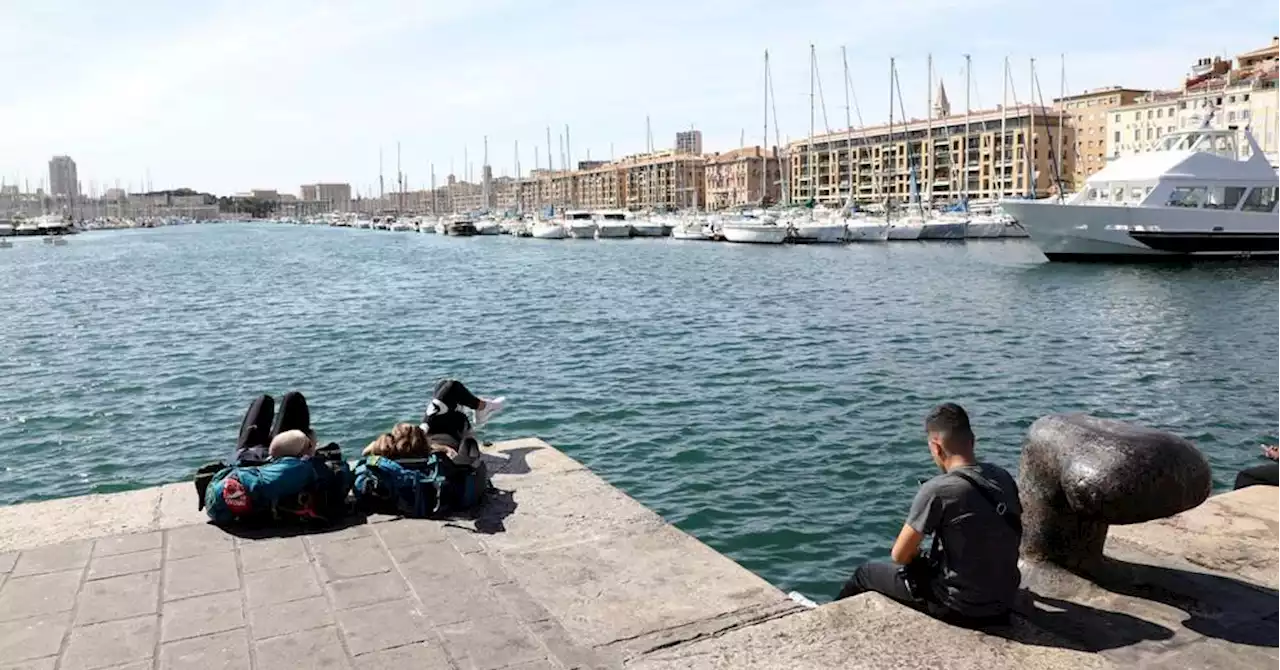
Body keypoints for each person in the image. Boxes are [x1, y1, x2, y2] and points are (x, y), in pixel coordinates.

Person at [837, 403, 1022, 628]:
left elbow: (899, 555)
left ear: (936, 447)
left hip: (962, 608)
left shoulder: (938, 490)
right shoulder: (1002, 477)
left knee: (864, 573)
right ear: (972, 440)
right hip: (1003, 603)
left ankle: (830, 622)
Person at [418, 379, 504, 464]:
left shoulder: (414, 442)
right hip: (448, 447)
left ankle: (480, 406)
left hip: (433, 435)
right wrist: (444, 449)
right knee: (452, 386)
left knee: (444, 385)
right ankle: (481, 406)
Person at [232, 391, 317, 464]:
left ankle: (271, 442)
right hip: (276, 459)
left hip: (245, 454)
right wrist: (310, 449)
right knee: (294, 398)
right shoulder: (303, 470)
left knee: (264, 400)